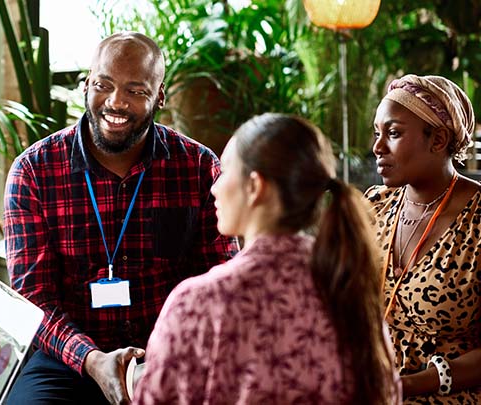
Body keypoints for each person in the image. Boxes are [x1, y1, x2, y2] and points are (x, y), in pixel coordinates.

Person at [2, 31, 238, 404]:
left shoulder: (198, 168)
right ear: (85, 85)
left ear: (159, 96)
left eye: (136, 91)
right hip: (69, 360)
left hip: (172, 355)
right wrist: (93, 360)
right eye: (104, 85)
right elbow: (33, 299)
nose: (116, 102)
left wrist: (167, 358)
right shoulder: (33, 171)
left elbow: (220, 283)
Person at [134, 113, 401, 404]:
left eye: (225, 172)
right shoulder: (348, 291)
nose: (214, 187)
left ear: (255, 187)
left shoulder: (198, 304)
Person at [366, 74, 481, 403]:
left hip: (450, 395)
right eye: (377, 133)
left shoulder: (477, 223)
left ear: (438, 139)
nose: (377, 147)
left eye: (393, 133)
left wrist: (410, 386)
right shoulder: (374, 206)